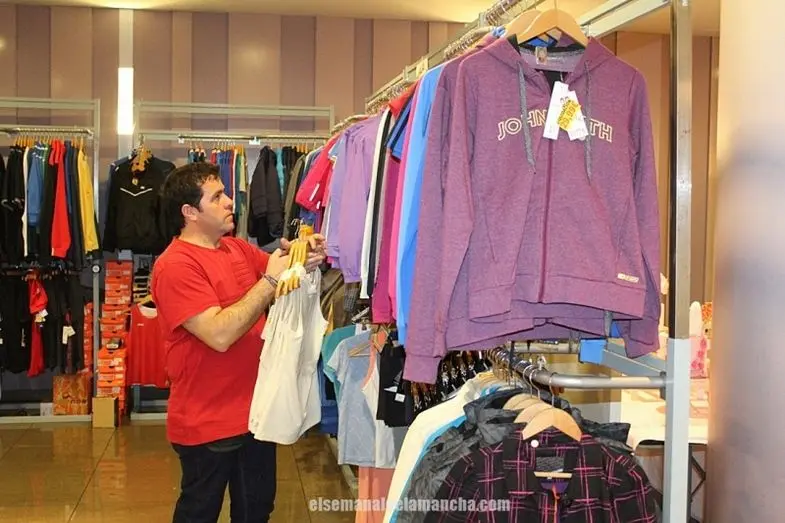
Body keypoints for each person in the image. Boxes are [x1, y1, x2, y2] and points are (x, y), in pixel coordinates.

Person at [150, 161, 325, 523]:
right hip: (207, 422)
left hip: (256, 415)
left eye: (225, 194)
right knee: (199, 513)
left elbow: (281, 272)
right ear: (190, 212)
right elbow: (219, 334)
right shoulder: (175, 266)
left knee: (256, 510)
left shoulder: (235, 248)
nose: (230, 201)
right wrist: (270, 281)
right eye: (217, 197)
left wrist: (302, 256)